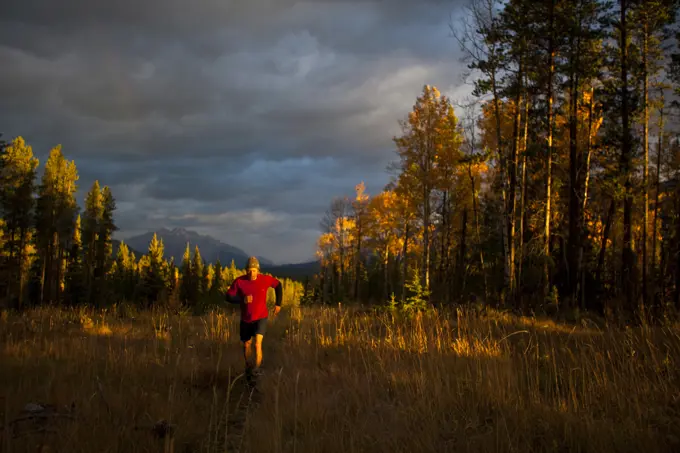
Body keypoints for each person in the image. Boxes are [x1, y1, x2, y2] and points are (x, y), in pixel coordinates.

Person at [225, 256, 282, 377]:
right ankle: (248, 368)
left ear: (258, 270)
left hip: (261, 317)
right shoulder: (239, 282)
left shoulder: (264, 280)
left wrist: (278, 304)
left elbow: (278, 285)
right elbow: (228, 296)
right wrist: (242, 299)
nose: (252, 273)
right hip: (246, 319)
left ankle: (256, 370)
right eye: (249, 270)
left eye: (254, 270)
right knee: (246, 345)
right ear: (246, 270)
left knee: (257, 344)